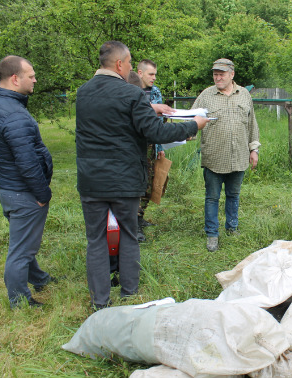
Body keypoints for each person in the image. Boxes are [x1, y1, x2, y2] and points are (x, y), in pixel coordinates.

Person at [76, 41, 208, 309]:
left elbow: (114, 120)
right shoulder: (132, 95)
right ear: (120, 64)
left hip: (92, 180)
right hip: (124, 181)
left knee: (96, 240)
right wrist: (194, 124)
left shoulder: (83, 93)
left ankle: (99, 302)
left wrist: (151, 109)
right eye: (129, 62)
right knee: (127, 233)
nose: (129, 68)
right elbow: (157, 133)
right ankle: (129, 292)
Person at [0, 55, 56, 308]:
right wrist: (42, 194)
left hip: (7, 187)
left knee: (23, 240)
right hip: (23, 191)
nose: (35, 79)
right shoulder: (13, 115)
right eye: (31, 75)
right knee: (21, 251)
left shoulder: (0, 104)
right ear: (14, 78)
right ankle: (19, 300)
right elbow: (27, 162)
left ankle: (39, 278)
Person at [191, 58, 260, 252]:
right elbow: (191, 119)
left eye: (221, 73)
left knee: (233, 195)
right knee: (212, 197)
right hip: (214, 157)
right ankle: (212, 233)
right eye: (215, 73)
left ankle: (232, 228)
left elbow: (252, 124)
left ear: (232, 74)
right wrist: (187, 132)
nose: (217, 77)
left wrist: (254, 149)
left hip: (239, 156)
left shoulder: (244, 95)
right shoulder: (206, 95)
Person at [136, 59, 164, 242]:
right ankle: (134, 225)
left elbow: (159, 122)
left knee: (150, 182)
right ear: (140, 73)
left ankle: (140, 217)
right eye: (150, 74)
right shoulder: (130, 91)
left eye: (155, 74)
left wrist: (160, 147)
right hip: (136, 145)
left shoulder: (155, 92)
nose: (154, 78)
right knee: (138, 183)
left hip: (152, 145)